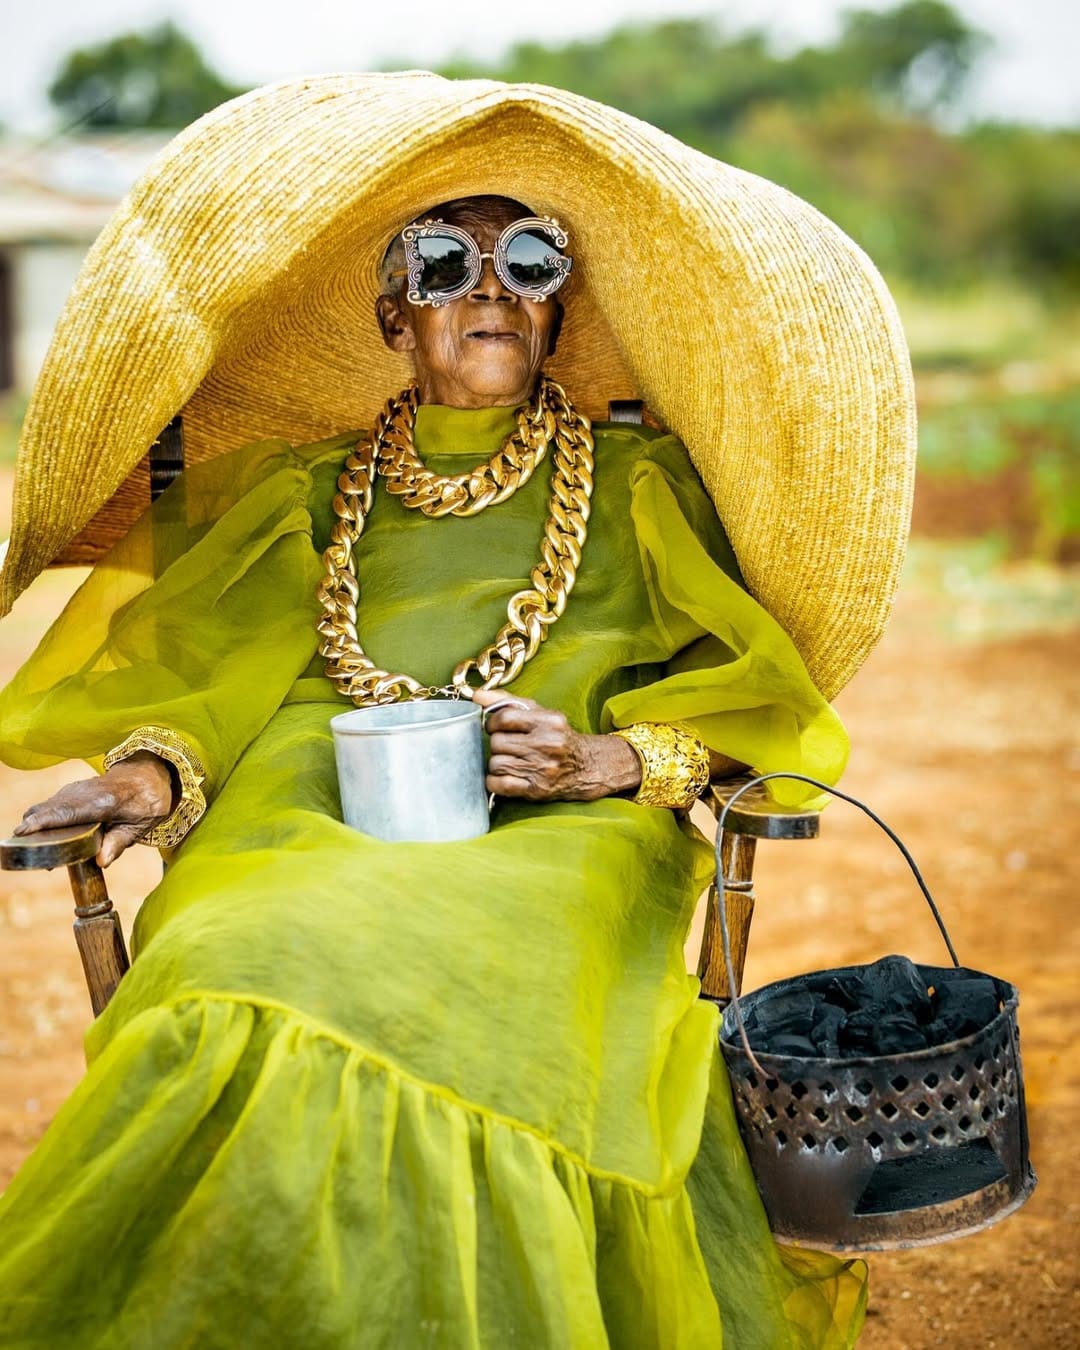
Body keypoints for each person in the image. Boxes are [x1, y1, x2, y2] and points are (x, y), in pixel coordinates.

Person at [0, 73, 917, 1348]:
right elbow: (207, 670)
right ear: (393, 313)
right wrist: (147, 781)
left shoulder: (644, 485)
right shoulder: (311, 491)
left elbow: (753, 697)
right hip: (303, 800)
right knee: (230, 957)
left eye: (527, 260)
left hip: (561, 828)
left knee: (469, 959)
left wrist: (607, 758)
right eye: (445, 263)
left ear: (556, 309)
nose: (488, 286)